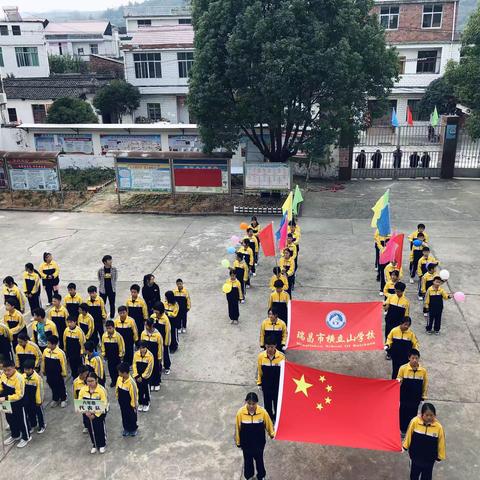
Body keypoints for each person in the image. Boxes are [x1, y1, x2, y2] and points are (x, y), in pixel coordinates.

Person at [235, 392, 275, 480]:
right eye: (249, 403)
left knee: (259, 460)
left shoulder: (263, 412)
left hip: (259, 444)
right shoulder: (240, 413)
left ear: (257, 403)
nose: (251, 406)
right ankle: (249, 476)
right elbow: (238, 428)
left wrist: (272, 434)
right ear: (245, 402)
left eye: (253, 404)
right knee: (248, 461)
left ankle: (261, 476)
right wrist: (238, 442)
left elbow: (269, 425)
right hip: (246, 444)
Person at [403, 403, 446, 480]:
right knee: (414, 476)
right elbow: (408, 435)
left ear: (435, 415)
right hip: (415, 457)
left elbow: (441, 442)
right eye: (427, 415)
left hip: (429, 459)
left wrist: (440, 456)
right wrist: (405, 446)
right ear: (422, 414)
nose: (429, 417)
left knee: (427, 477)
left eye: (431, 415)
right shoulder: (414, 422)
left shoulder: (438, 427)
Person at [0, 360, 31, 448]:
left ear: (14, 367)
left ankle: (26, 437)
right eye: (4, 370)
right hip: (6, 402)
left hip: (18, 403)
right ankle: (15, 435)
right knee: (10, 418)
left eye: (9, 370)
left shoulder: (19, 378)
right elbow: (1, 385)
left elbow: (19, 395)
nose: (6, 372)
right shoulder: (3, 375)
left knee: (21, 420)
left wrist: (5, 398)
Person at [397, 349, 428, 435]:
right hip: (404, 396)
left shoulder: (423, 371)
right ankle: (402, 430)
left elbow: (425, 384)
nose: (415, 360)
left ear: (419, 359)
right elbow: (399, 379)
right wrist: (398, 381)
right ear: (409, 358)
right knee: (403, 412)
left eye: (416, 358)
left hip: (416, 397)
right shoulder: (403, 368)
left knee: (413, 413)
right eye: (413, 358)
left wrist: (423, 397)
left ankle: (410, 429)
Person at [78, 372, 108, 454]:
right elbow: (80, 401)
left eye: (92, 381)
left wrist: (95, 414)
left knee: (99, 428)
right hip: (87, 413)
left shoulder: (101, 390)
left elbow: (104, 404)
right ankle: (94, 444)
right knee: (91, 429)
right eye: (88, 381)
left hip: (99, 413)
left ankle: (102, 444)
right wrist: (86, 412)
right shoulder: (83, 390)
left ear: (96, 380)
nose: (90, 383)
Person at [257, 337, 285, 422]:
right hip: (266, 385)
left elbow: (284, 371)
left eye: (272, 347)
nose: (270, 349)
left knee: (277, 403)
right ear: (265, 346)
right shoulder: (261, 356)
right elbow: (259, 370)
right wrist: (259, 383)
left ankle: (277, 419)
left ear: (275, 346)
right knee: (267, 403)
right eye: (268, 347)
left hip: (277, 385)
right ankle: (269, 419)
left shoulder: (281, 356)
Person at [41, 335, 67, 408]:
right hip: (49, 373)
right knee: (52, 385)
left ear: (54, 344)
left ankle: (63, 399)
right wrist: (43, 370)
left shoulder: (60, 353)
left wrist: (64, 373)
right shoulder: (45, 351)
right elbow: (43, 361)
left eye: (49, 343)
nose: (47, 345)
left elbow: (63, 363)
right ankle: (55, 399)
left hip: (58, 374)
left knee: (60, 386)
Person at [22, 360, 46, 434]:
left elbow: (40, 390)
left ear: (33, 369)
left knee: (39, 413)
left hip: (36, 399)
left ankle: (42, 425)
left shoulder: (37, 378)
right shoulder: (23, 377)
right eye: (25, 369)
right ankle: (33, 424)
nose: (26, 371)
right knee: (30, 413)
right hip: (27, 399)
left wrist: (39, 401)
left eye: (28, 369)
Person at [116, 362, 138, 436]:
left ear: (124, 373)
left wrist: (133, 405)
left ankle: (133, 429)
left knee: (131, 416)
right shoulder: (119, 379)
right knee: (124, 415)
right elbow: (117, 389)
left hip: (130, 404)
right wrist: (117, 397)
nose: (118, 373)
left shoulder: (131, 383)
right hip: (122, 402)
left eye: (119, 371)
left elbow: (134, 395)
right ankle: (126, 428)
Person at [101, 320, 125, 387]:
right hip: (109, 357)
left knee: (118, 370)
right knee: (111, 370)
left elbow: (121, 346)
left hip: (117, 357)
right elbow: (103, 346)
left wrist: (121, 355)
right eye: (107, 328)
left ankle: (119, 381)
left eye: (110, 328)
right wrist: (104, 354)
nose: (108, 330)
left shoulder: (118, 336)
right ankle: (113, 381)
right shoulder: (104, 336)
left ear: (114, 327)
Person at [141, 319, 163, 391]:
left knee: (156, 369)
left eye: (147, 325)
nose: (146, 327)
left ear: (152, 325)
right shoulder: (143, 334)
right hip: (146, 355)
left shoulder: (158, 335)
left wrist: (160, 357)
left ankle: (156, 383)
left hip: (155, 355)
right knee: (148, 369)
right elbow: (142, 345)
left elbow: (160, 347)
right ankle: (150, 383)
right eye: (145, 325)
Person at [133, 340, 154, 412]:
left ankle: (147, 402)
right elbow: (134, 365)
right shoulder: (136, 354)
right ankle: (141, 402)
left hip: (146, 377)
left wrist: (142, 377)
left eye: (143, 347)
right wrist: (136, 375)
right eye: (140, 348)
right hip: (138, 376)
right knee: (139, 390)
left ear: (146, 348)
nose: (142, 349)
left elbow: (149, 367)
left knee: (146, 390)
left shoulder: (150, 356)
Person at [151, 302, 171, 375]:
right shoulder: (153, 317)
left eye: (157, 310)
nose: (155, 312)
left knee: (165, 353)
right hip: (155, 340)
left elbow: (168, 331)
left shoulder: (165, 319)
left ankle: (167, 367)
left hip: (163, 339)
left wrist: (166, 342)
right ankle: (158, 367)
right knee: (157, 354)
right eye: (154, 310)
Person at [98, 255, 117, 319]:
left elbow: (115, 278)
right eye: (109, 260)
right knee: (102, 304)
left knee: (112, 304)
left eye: (111, 259)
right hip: (103, 290)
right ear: (105, 262)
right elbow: (99, 278)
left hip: (111, 289)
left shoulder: (114, 269)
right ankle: (103, 316)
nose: (111, 261)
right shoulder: (100, 270)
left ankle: (112, 316)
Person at [73, 365, 90, 434]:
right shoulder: (76, 382)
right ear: (80, 373)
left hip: (90, 400)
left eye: (87, 373)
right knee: (85, 414)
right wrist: (77, 402)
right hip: (82, 401)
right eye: (85, 374)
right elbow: (75, 392)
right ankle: (86, 426)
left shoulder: (89, 380)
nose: (86, 375)